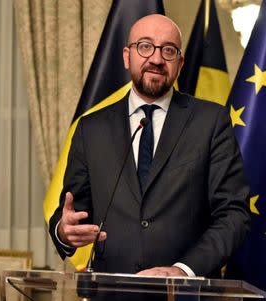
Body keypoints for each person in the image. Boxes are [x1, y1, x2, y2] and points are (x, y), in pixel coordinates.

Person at [49, 14, 250, 278]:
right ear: (126, 56)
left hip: (186, 294)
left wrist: (183, 270)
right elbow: (73, 211)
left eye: (168, 50)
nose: (156, 59)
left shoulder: (211, 122)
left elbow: (234, 215)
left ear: (180, 63)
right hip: (113, 293)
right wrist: (63, 231)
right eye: (144, 46)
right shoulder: (91, 129)